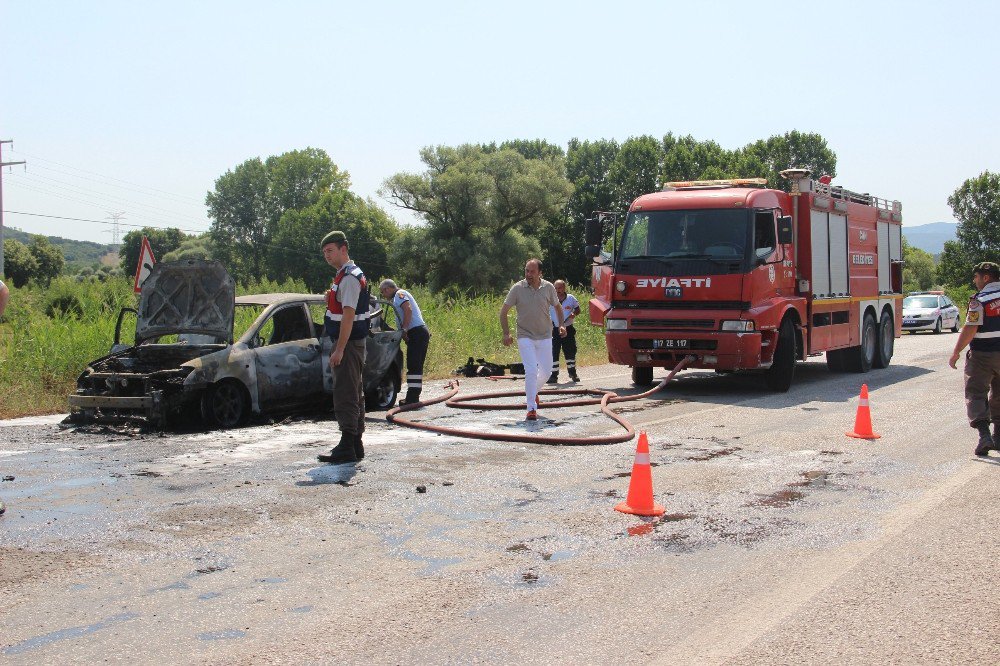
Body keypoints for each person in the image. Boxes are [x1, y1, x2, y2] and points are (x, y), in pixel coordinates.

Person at [317, 231, 371, 465]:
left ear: (343, 249)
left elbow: (348, 316)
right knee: (354, 391)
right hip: (351, 343)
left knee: (346, 392)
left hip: (347, 344)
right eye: (324, 252)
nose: (326, 256)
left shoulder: (348, 277)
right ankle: (355, 443)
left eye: (330, 250)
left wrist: (339, 349)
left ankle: (347, 444)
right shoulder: (345, 275)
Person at [500, 259, 565, 421]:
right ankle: (531, 408)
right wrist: (506, 333)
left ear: (540, 273)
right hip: (525, 335)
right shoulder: (518, 288)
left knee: (547, 371)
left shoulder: (548, 287)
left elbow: (557, 307)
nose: (528, 274)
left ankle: (532, 391)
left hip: (545, 335)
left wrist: (561, 325)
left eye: (532, 271)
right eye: (526, 271)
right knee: (530, 370)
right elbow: (503, 312)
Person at [948, 261, 1000, 457]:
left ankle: (985, 437)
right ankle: (999, 437)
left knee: (976, 393)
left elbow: (970, 328)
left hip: (983, 356)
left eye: (976, 277)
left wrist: (956, 351)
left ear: (986, 277)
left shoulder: (980, 300)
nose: (974, 280)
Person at [379, 279, 431, 406]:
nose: (383, 295)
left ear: (387, 289)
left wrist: (404, 330)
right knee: (415, 366)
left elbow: (408, 309)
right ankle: (413, 396)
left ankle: (412, 398)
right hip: (417, 333)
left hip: (416, 332)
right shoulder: (398, 296)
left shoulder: (399, 295)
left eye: (382, 292)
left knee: (414, 366)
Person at [548, 279, 581, 384]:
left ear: (564, 288)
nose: (558, 290)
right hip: (554, 329)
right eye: (556, 288)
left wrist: (574, 314)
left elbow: (578, 309)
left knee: (570, 351)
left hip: (568, 328)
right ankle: (553, 376)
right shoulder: (550, 299)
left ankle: (573, 373)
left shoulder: (571, 298)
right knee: (554, 352)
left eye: (560, 288)